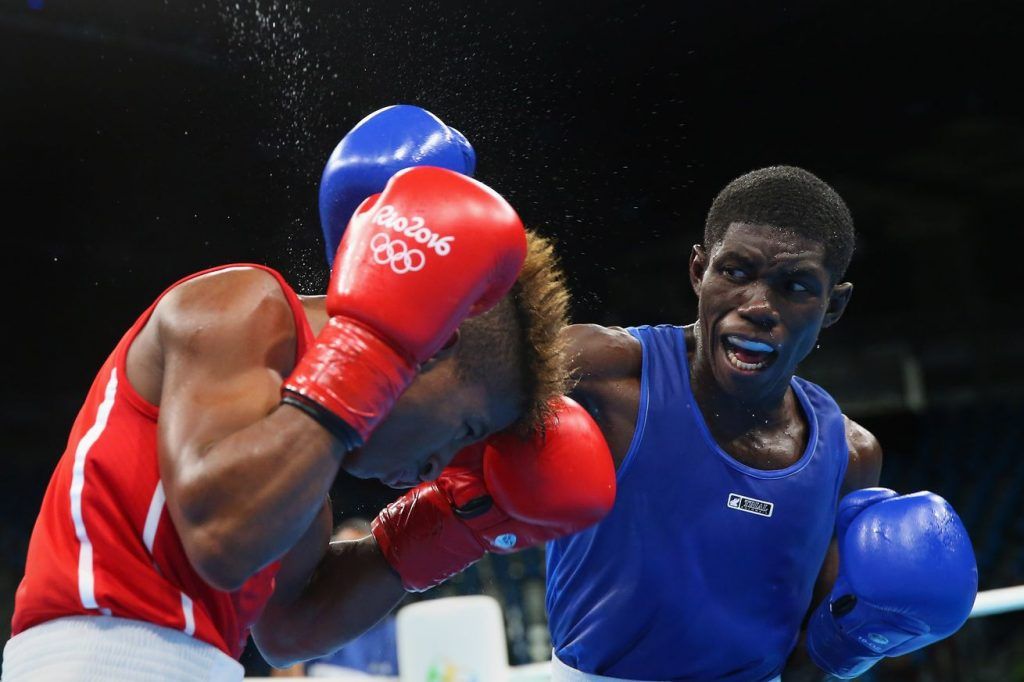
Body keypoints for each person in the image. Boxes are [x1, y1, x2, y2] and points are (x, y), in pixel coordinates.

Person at [3, 119, 617, 679]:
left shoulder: (298, 476)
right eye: (465, 428)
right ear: (434, 346)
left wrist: (457, 521)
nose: (439, 466)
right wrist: (372, 352)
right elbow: (223, 536)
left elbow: (288, 631)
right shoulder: (241, 305)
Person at [544, 166, 978, 681]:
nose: (758, 307)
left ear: (833, 304)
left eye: (794, 286)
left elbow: (806, 654)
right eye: (736, 272)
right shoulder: (598, 372)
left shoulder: (850, 454)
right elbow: (446, 408)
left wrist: (852, 643)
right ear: (697, 271)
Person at [269, 519, 398, 678]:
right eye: (340, 556)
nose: (346, 570)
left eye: (355, 562)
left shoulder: (396, 634)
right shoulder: (306, 622)